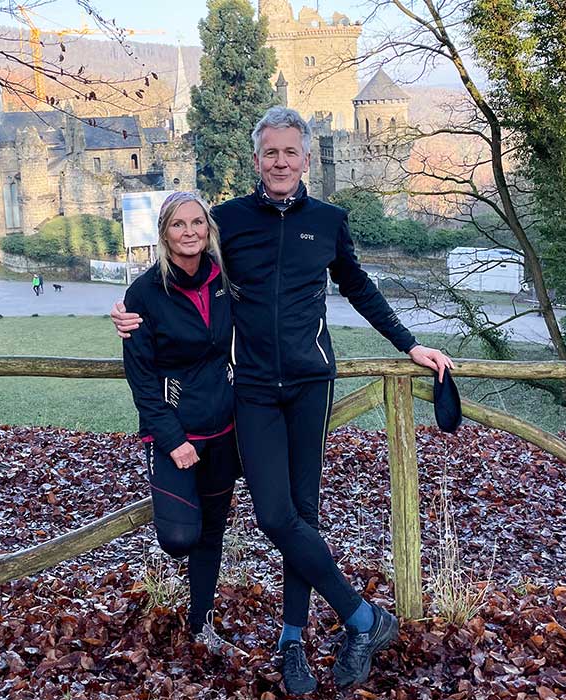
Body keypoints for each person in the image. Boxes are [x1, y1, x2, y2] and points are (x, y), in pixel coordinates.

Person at [114, 107, 455, 693]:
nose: (280, 162)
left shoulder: (328, 221)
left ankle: (292, 640)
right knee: (274, 515)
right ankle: (365, 618)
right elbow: (180, 267)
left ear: (305, 159)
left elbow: (359, 286)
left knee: (303, 514)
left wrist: (410, 343)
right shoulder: (228, 222)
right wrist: (130, 313)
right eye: (270, 152)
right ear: (257, 159)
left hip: (309, 385)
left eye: (290, 153)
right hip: (250, 389)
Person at [121, 191, 240, 639]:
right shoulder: (145, 294)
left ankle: (201, 623)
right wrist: (173, 440)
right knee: (178, 539)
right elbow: (141, 380)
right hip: (174, 433)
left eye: (197, 223)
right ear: (164, 233)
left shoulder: (224, 280)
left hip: (223, 428)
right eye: (178, 224)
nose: (189, 232)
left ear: (208, 229)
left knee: (212, 534)